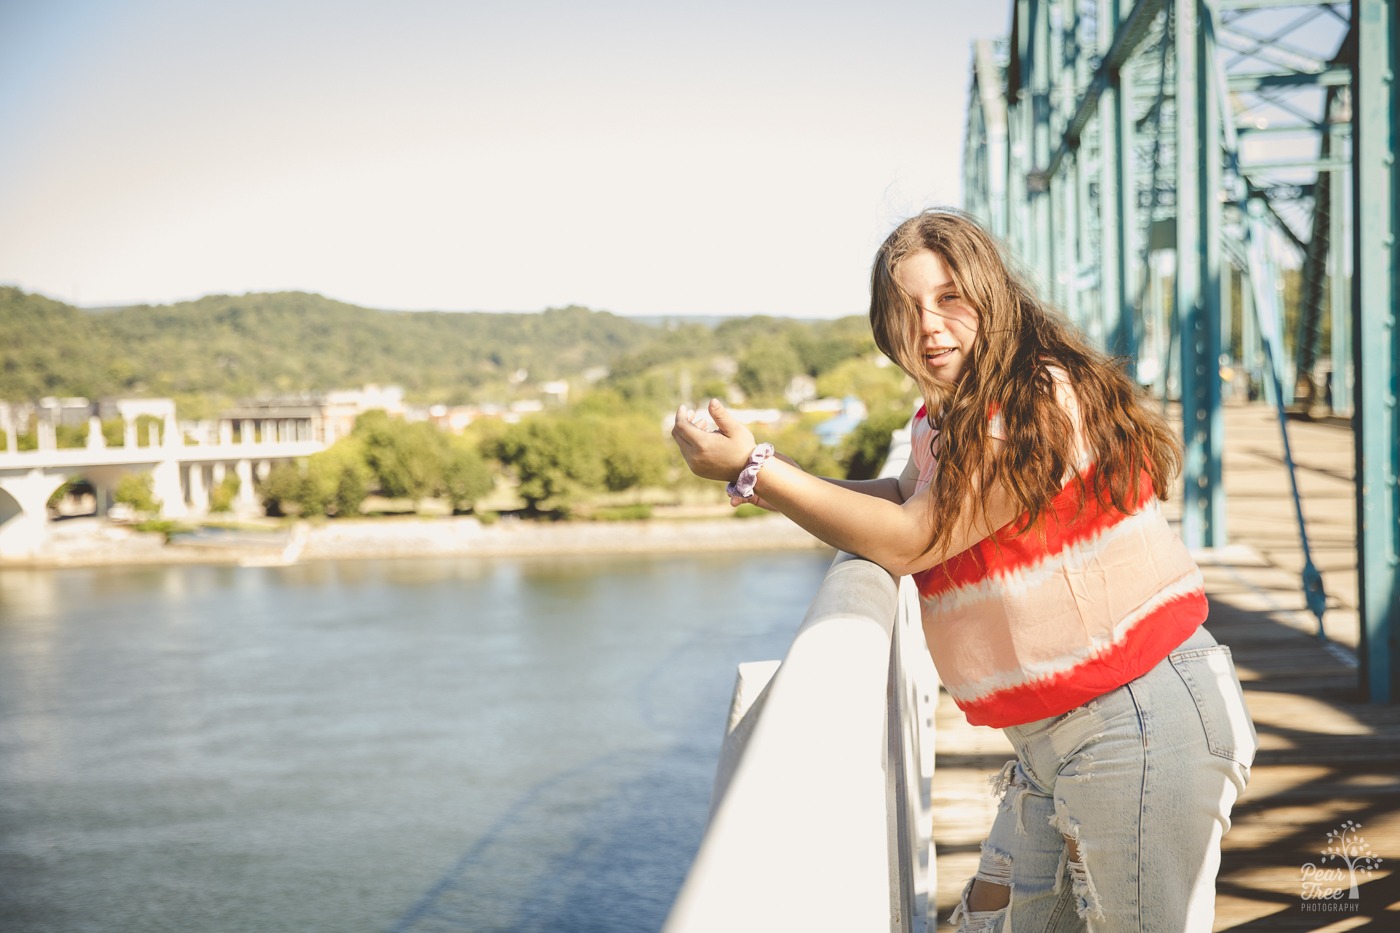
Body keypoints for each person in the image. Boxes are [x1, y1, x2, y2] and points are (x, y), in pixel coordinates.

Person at [671, 208, 1256, 932]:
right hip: (1058, 736)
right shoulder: (943, 418)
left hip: (1134, 717)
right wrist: (772, 469)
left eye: (951, 297)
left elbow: (916, 536)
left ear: (993, 296)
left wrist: (757, 475)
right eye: (905, 307)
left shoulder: (1033, 401)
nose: (930, 326)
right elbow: (907, 495)